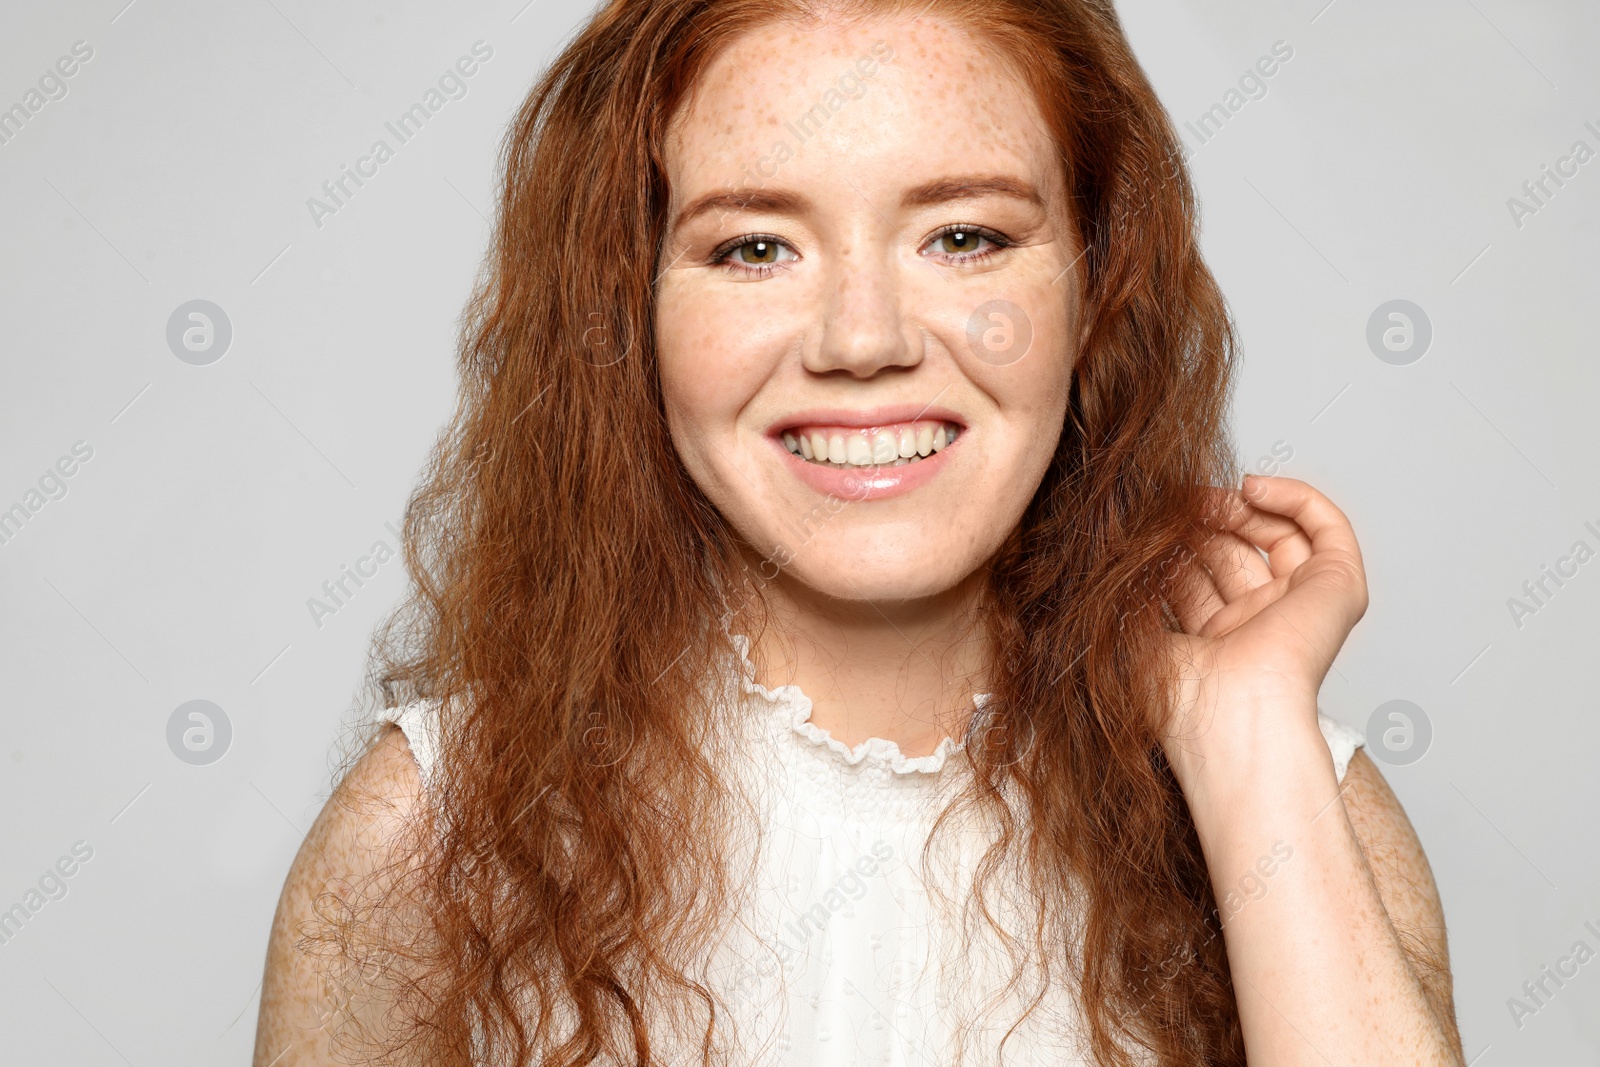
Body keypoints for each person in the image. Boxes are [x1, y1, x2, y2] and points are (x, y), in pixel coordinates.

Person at [254, 1, 1464, 1064]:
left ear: (1097, 287)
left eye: (964, 235)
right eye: (755, 247)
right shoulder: (429, 837)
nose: (862, 336)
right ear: (630, 313)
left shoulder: (1304, 805)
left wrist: (1243, 739)